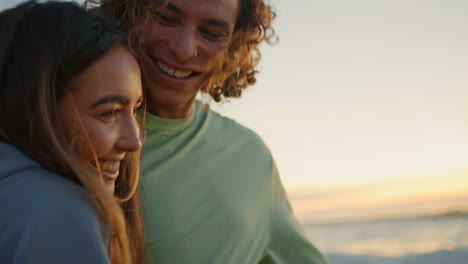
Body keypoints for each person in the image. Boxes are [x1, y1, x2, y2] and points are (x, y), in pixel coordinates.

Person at [88, 0, 329, 263]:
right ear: (127, 12)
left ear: (234, 44)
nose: (183, 49)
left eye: (212, 33)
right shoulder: (71, 136)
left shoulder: (250, 155)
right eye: (167, 18)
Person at [0, 1, 145, 263]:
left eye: (135, 109)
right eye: (110, 112)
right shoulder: (57, 211)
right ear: (37, 109)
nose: (134, 141)